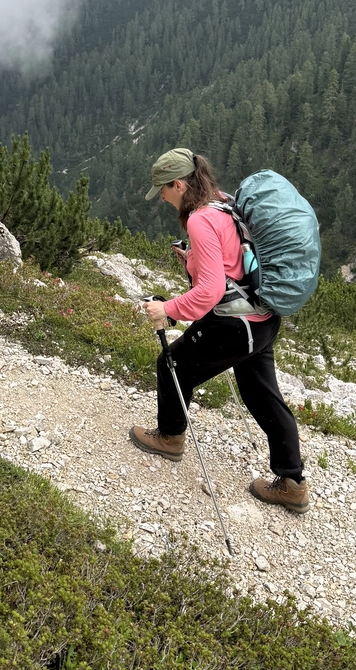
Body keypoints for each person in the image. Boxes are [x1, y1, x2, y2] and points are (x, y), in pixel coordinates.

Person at [128, 147, 309, 514]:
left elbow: (210, 292)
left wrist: (168, 309)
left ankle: (170, 438)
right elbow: (231, 261)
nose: (161, 197)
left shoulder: (199, 220)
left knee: (172, 365)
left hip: (234, 325)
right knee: (263, 397)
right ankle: (293, 483)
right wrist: (193, 258)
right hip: (263, 318)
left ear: (179, 185)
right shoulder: (223, 202)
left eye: (163, 189)